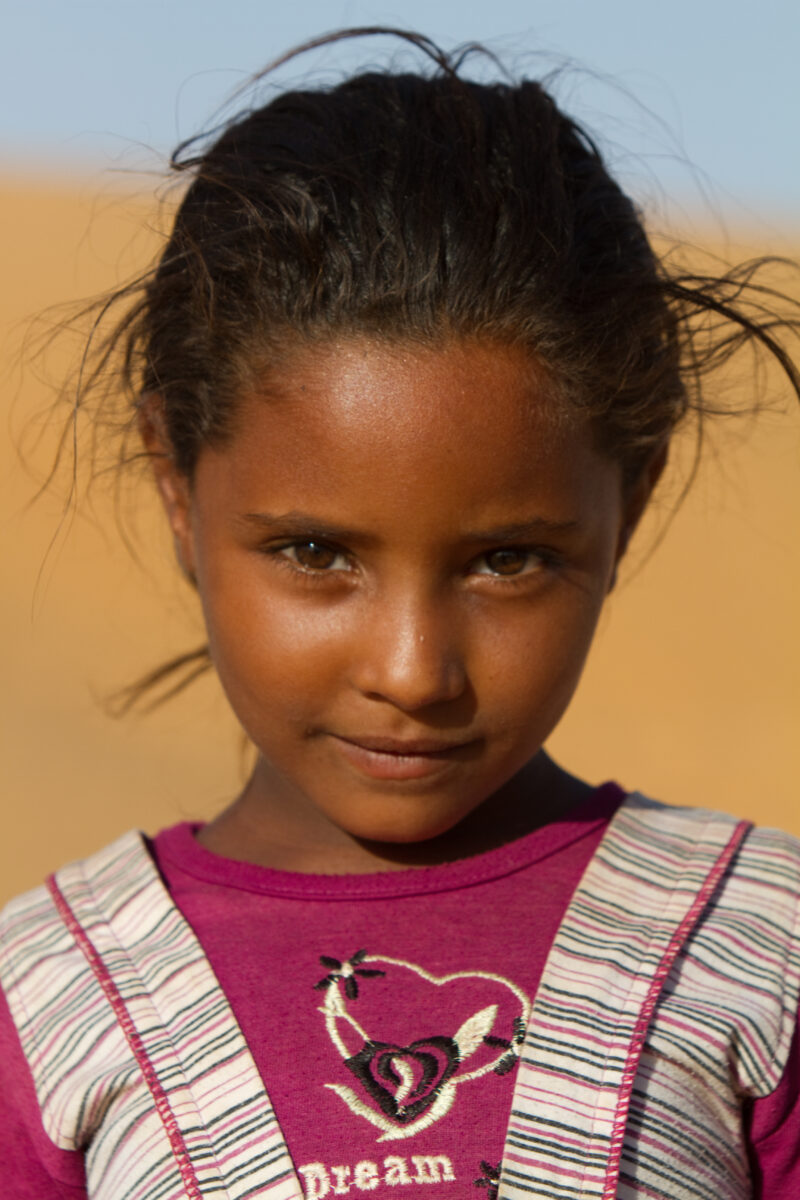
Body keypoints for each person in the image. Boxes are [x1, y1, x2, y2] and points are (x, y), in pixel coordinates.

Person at [0, 27, 798, 1200]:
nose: (415, 671)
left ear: (628, 500)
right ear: (176, 480)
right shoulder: (48, 996)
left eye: (508, 560)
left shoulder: (759, 945)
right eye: (315, 553)